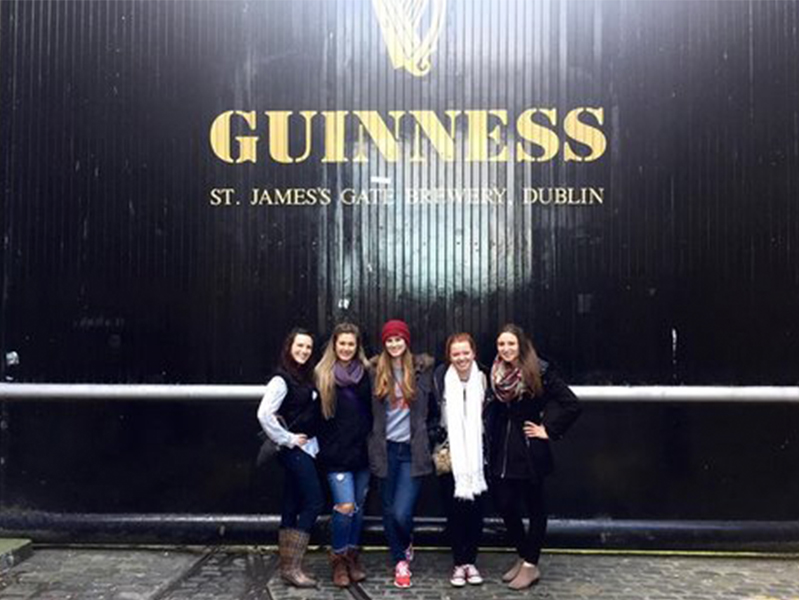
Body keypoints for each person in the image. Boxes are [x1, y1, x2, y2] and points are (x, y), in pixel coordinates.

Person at [486, 324, 581, 590]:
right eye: (501, 344)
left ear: (521, 345)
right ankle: (523, 554)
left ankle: (531, 564)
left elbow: (571, 404)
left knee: (535, 505)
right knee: (504, 503)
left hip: (528, 449)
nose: (506, 349)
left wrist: (548, 430)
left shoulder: (539, 370)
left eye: (511, 344)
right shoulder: (495, 371)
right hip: (502, 448)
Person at [367, 319, 434, 589]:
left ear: (406, 341)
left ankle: (406, 541)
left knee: (401, 512)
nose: (394, 344)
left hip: (411, 450)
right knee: (387, 509)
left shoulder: (421, 370)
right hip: (385, 449)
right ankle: (400, 561)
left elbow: (433, 405)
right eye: (389, 340)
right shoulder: (374, 371)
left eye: (399, 339)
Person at [257, 328, 323, 588]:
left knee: (291, 501)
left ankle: (288, 566)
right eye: (299, 346)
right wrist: (287, 438)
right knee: (314, 501)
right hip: (294, 451)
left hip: (306, 449)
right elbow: (264, 414)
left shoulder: (305, 376)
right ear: (289, 347)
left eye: (308, 347)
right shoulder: (281, 379)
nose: (304, 351)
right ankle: (292, 567)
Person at [315, 323, 373, 587]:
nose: (347, 348)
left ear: (357, 346)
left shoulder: (367, 373)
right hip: (336, 454)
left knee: (358, 508)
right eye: (342, 343)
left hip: (362, 453)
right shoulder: (322, 374)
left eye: (351, 344)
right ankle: (338, 558)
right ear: (334, 344)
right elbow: (313, 415)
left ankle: (352, 555)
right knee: (345, 506)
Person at [430, 332, 488, 588]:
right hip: (449, 453)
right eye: (456, 353)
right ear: (449, 356)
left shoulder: (485, 378)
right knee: (453, 511)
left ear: (473, 353)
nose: (461, 358)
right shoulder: (439, 378)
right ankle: (459, 562)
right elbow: (431, 413)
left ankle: (471, 561)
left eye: (466, 352)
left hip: (477, 454)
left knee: (476, 510)